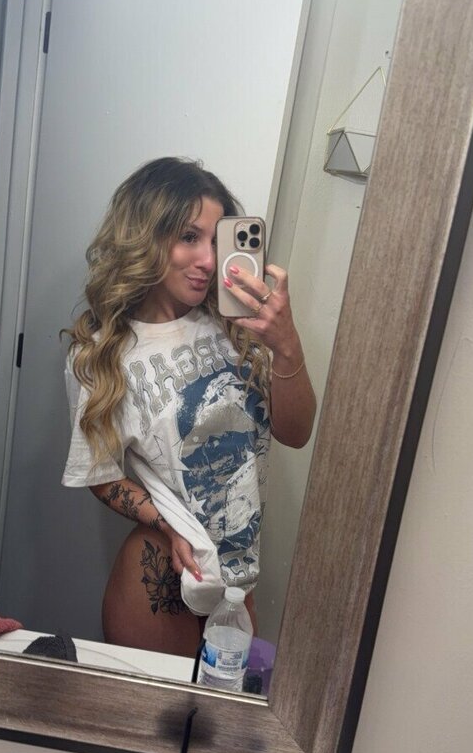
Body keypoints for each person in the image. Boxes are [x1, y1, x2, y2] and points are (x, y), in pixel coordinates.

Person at [62, 157, 316, 658]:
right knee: (155, 711)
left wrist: (287, 346)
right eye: (188, 237)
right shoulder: (102, 351)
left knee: (221, 706)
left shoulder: (238, 326)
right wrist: (166, 524)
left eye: (216, 242)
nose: (208, 260)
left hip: (238, 576)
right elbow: (99, 475)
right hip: (161, 572)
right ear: (145, 237)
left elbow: (297, 432)